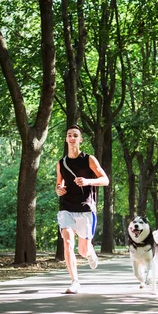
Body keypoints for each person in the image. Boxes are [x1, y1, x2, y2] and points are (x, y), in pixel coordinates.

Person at [56, 125, 109, 294]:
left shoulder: (89, 159)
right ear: (66, 139)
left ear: (80, 140)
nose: (72, 138)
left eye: (75, 135)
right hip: (67, 207)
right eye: (69, 135)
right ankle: (75, 281)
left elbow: (105, 180)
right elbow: (60, 183)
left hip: (86, 208)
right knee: (68, 241)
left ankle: (90, 250)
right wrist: (59, 189)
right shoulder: (61, 163)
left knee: (83, 250)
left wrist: (88, 181)